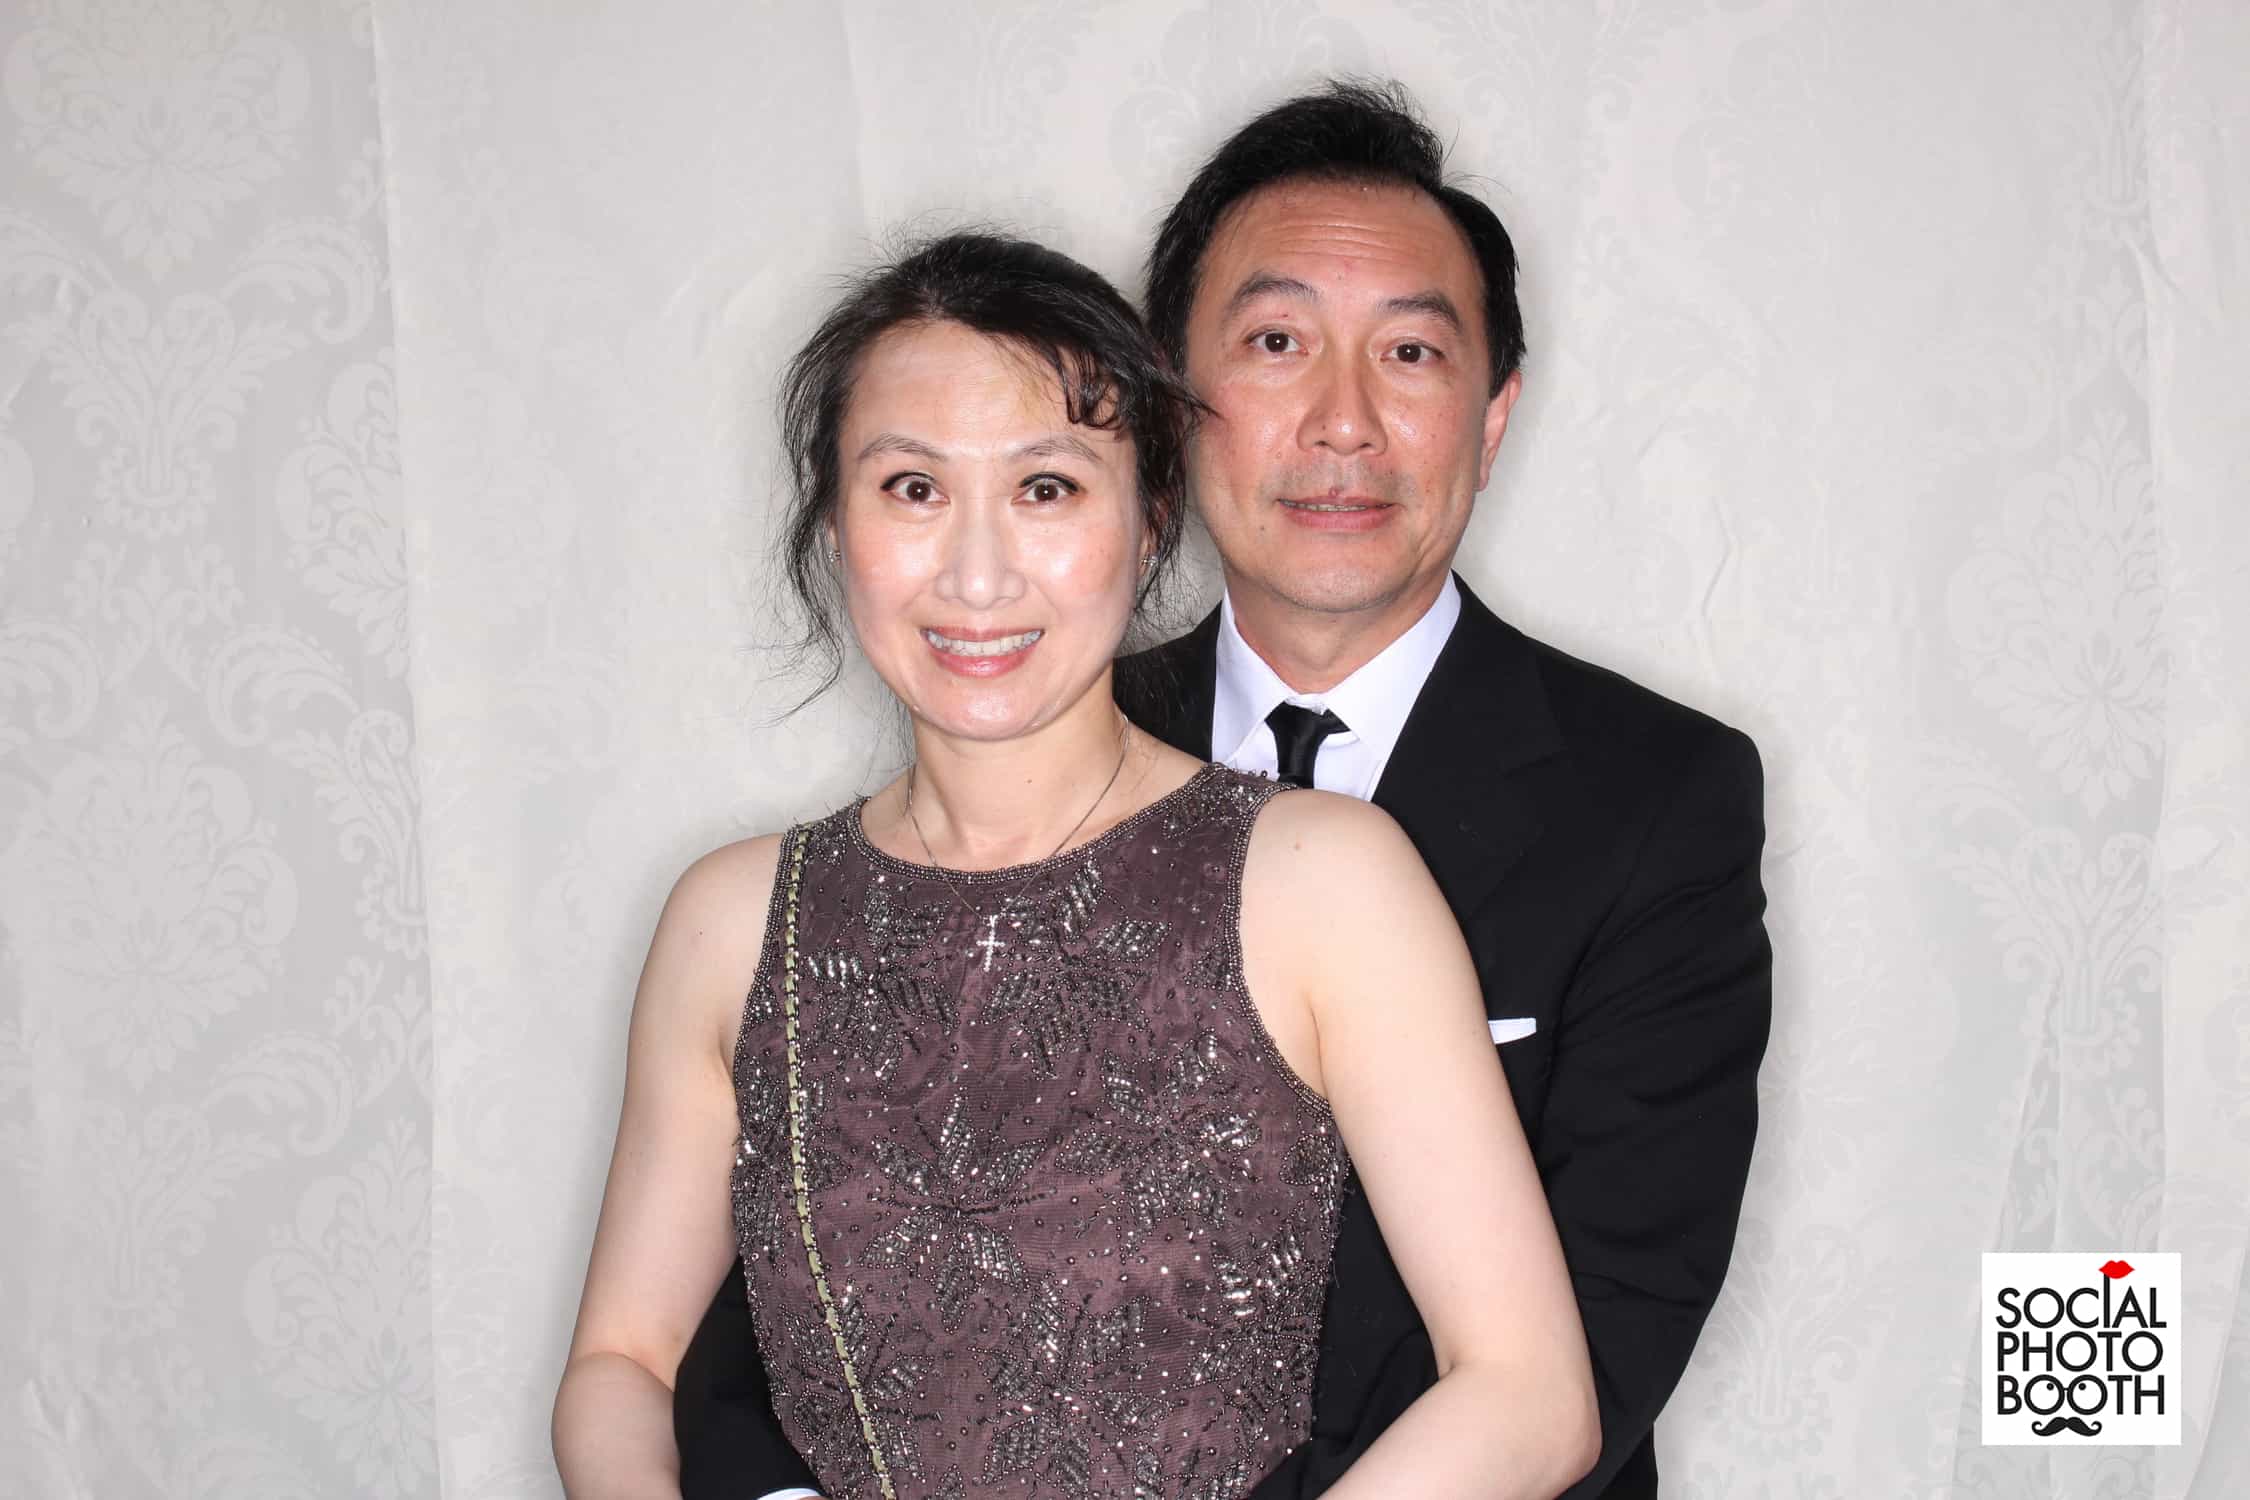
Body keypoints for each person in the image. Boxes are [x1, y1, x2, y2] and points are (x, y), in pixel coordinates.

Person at [672, 82, 1771, 1500]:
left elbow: (1607, 1323)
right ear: (1170, 409)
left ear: (1494, 415)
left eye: (1411, 353)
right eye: (1274, 343)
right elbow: (812, 1244)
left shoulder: (1657, 796)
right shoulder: (1022, 711)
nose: (1342, 422)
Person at [554, 231, 1600, 1500]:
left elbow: (1529, 1394)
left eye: (1046, 488)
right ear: (835, 524)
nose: (977, 574)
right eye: (912, 489)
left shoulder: (1321, 881)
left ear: (1152, 517)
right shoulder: (732, 921)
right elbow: (621, 1360)